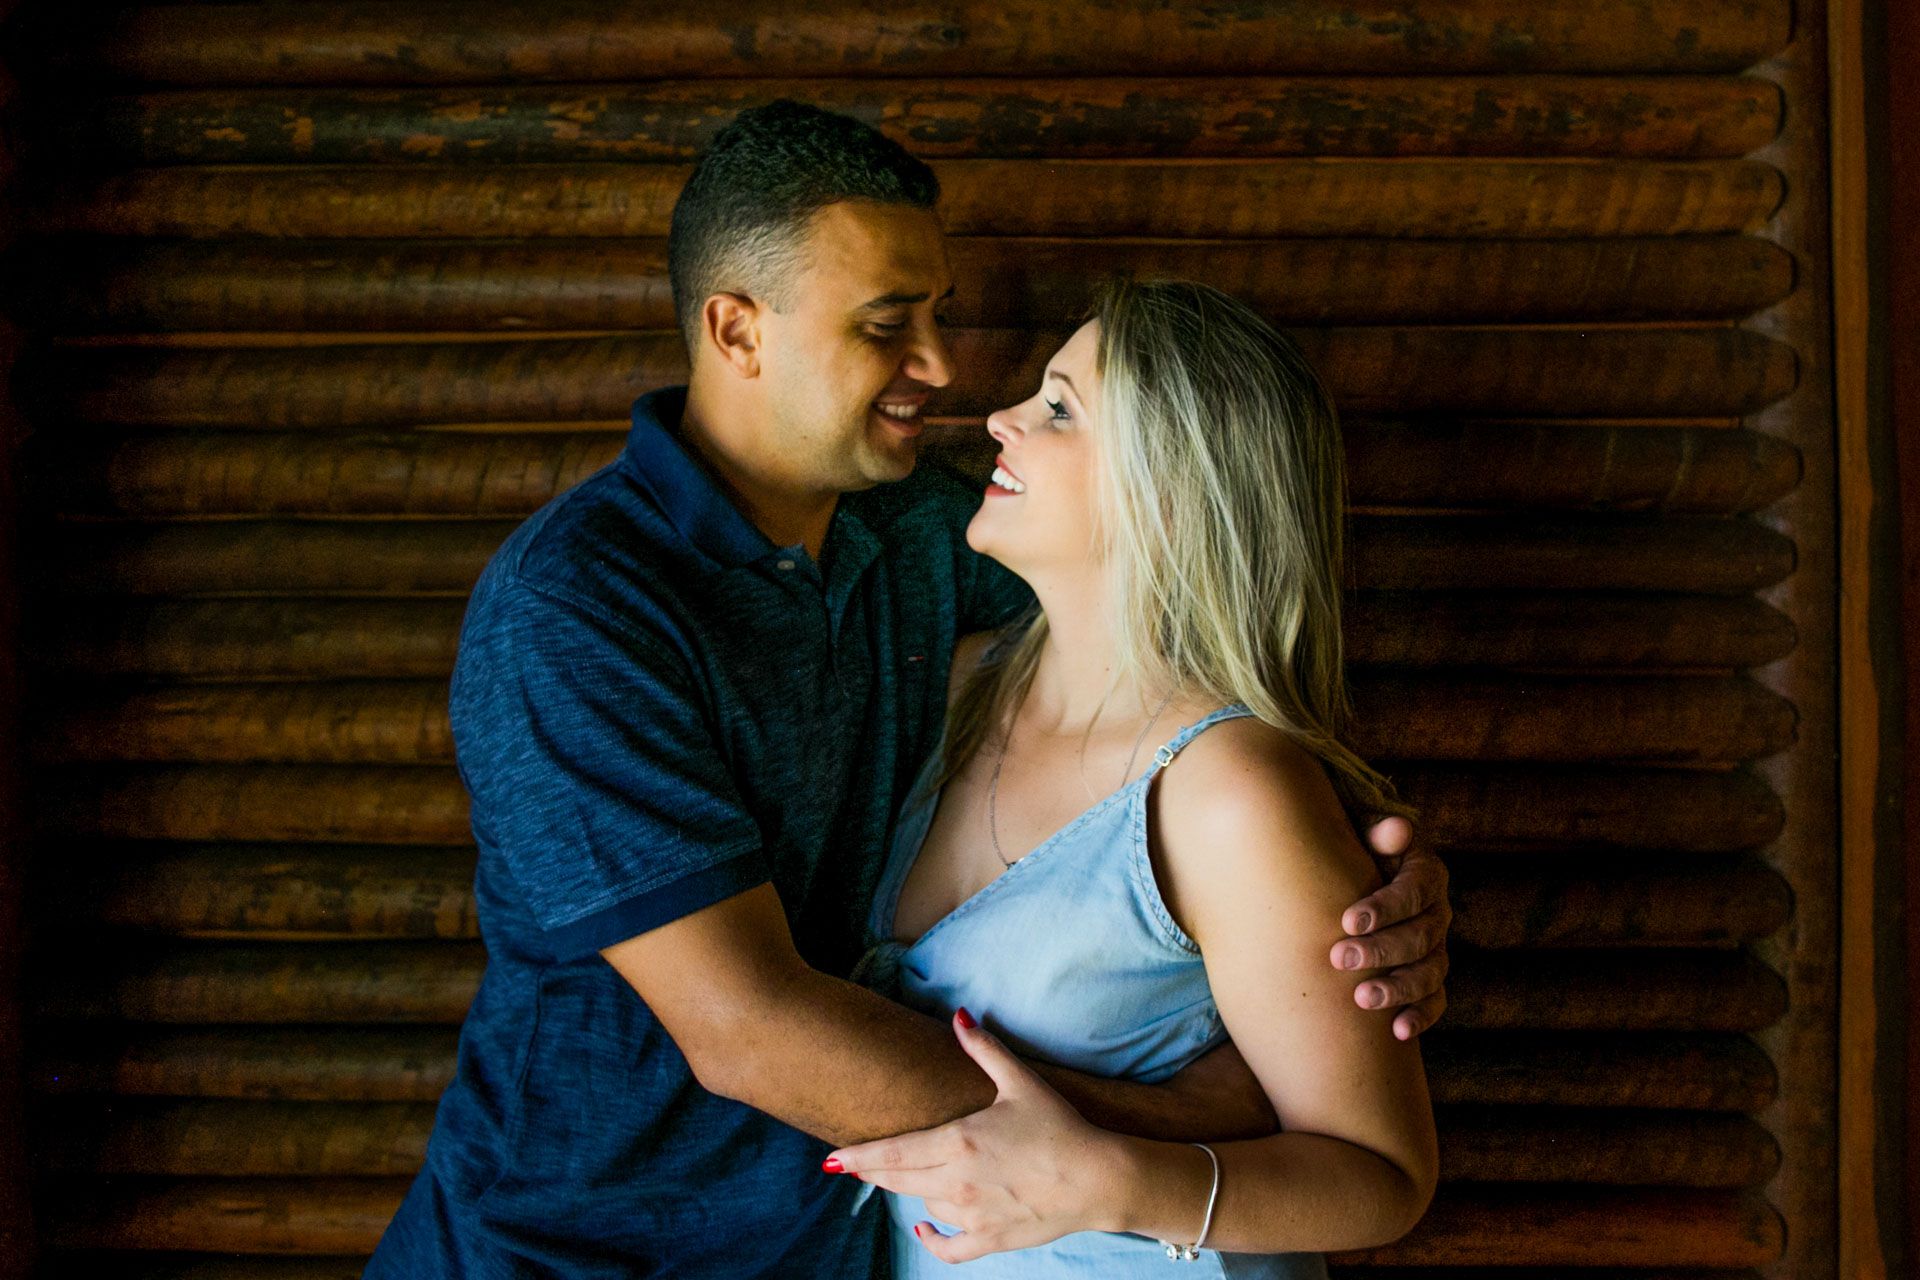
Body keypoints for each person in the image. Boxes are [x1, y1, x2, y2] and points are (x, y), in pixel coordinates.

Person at [364, 101, 1450, 1279]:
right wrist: (1169, 1114)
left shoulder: (930, 532)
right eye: (889, 325)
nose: (943, 371)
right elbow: (749, 1029)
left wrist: (1356, 882)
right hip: (574, 1248)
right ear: (737, 331)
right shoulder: (578, 610)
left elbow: (1169, 664)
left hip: (830, 1251)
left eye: (939, 315)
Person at [826, 279, 1438, 1275]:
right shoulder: (957, 685)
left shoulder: (1229, 789)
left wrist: (1113, 1181)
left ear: (1168, 487)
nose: (1000, 418)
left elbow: (1382, 1176)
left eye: (1060, 406)